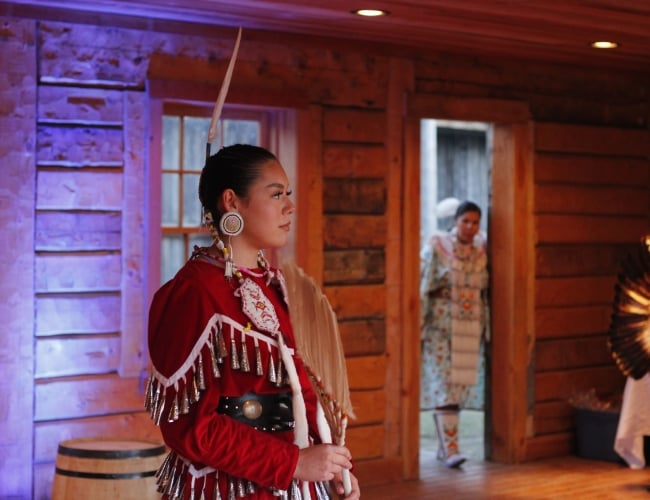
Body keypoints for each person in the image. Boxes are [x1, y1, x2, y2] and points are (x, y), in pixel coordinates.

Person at [145, 144, 360, 499]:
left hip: (298, 485)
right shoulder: (192, 293)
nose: (289, 206)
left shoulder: (277, 287)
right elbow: (186, 427)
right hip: (227, 488)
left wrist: (332, 468)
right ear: (232, 201)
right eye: (276, 194)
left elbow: (305, 393)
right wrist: (292, 463)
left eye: (288, 194)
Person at [420, 199, 490, 468]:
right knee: (443, 385)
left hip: (469, 325)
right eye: (465, 221)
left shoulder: (482, 249)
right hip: (440, 325)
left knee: (458, 385)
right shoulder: (437, 245)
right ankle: (451, 450)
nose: (470, 227)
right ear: (455, 221)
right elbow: (422, 280)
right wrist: (419, 322)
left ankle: (445, 448)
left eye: (475, 222)